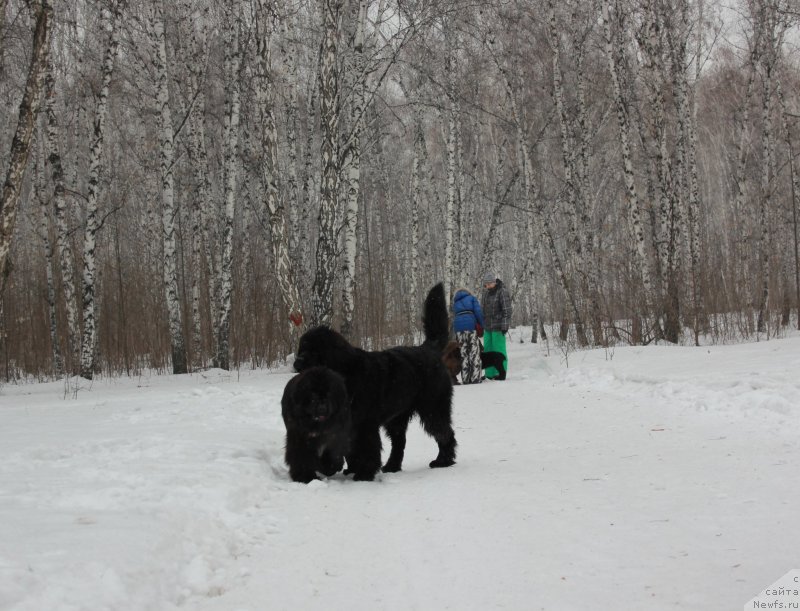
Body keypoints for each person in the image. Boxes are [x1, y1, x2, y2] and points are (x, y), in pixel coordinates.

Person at [480, 272, 512, 380]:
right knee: (488, 350)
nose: (487, 286)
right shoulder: (485, 294)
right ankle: (490, 374)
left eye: (489, 284)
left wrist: (504, 326)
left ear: (494, 282)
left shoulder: (502, 292)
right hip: (487, 327)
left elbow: (507, 311)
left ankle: (501, 373)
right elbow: (482, 310)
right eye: (486, 285)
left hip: (498, 326)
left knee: (499, 351)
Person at [451, 287, 485, 384]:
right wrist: (482, 325)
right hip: (470, 327)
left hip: (458, 329)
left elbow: (454, 315)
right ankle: (475, 379)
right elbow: (478, 312)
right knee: (474, 353)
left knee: (463, 353)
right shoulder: (472, 298)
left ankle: (466, 379)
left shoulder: (455, 302)